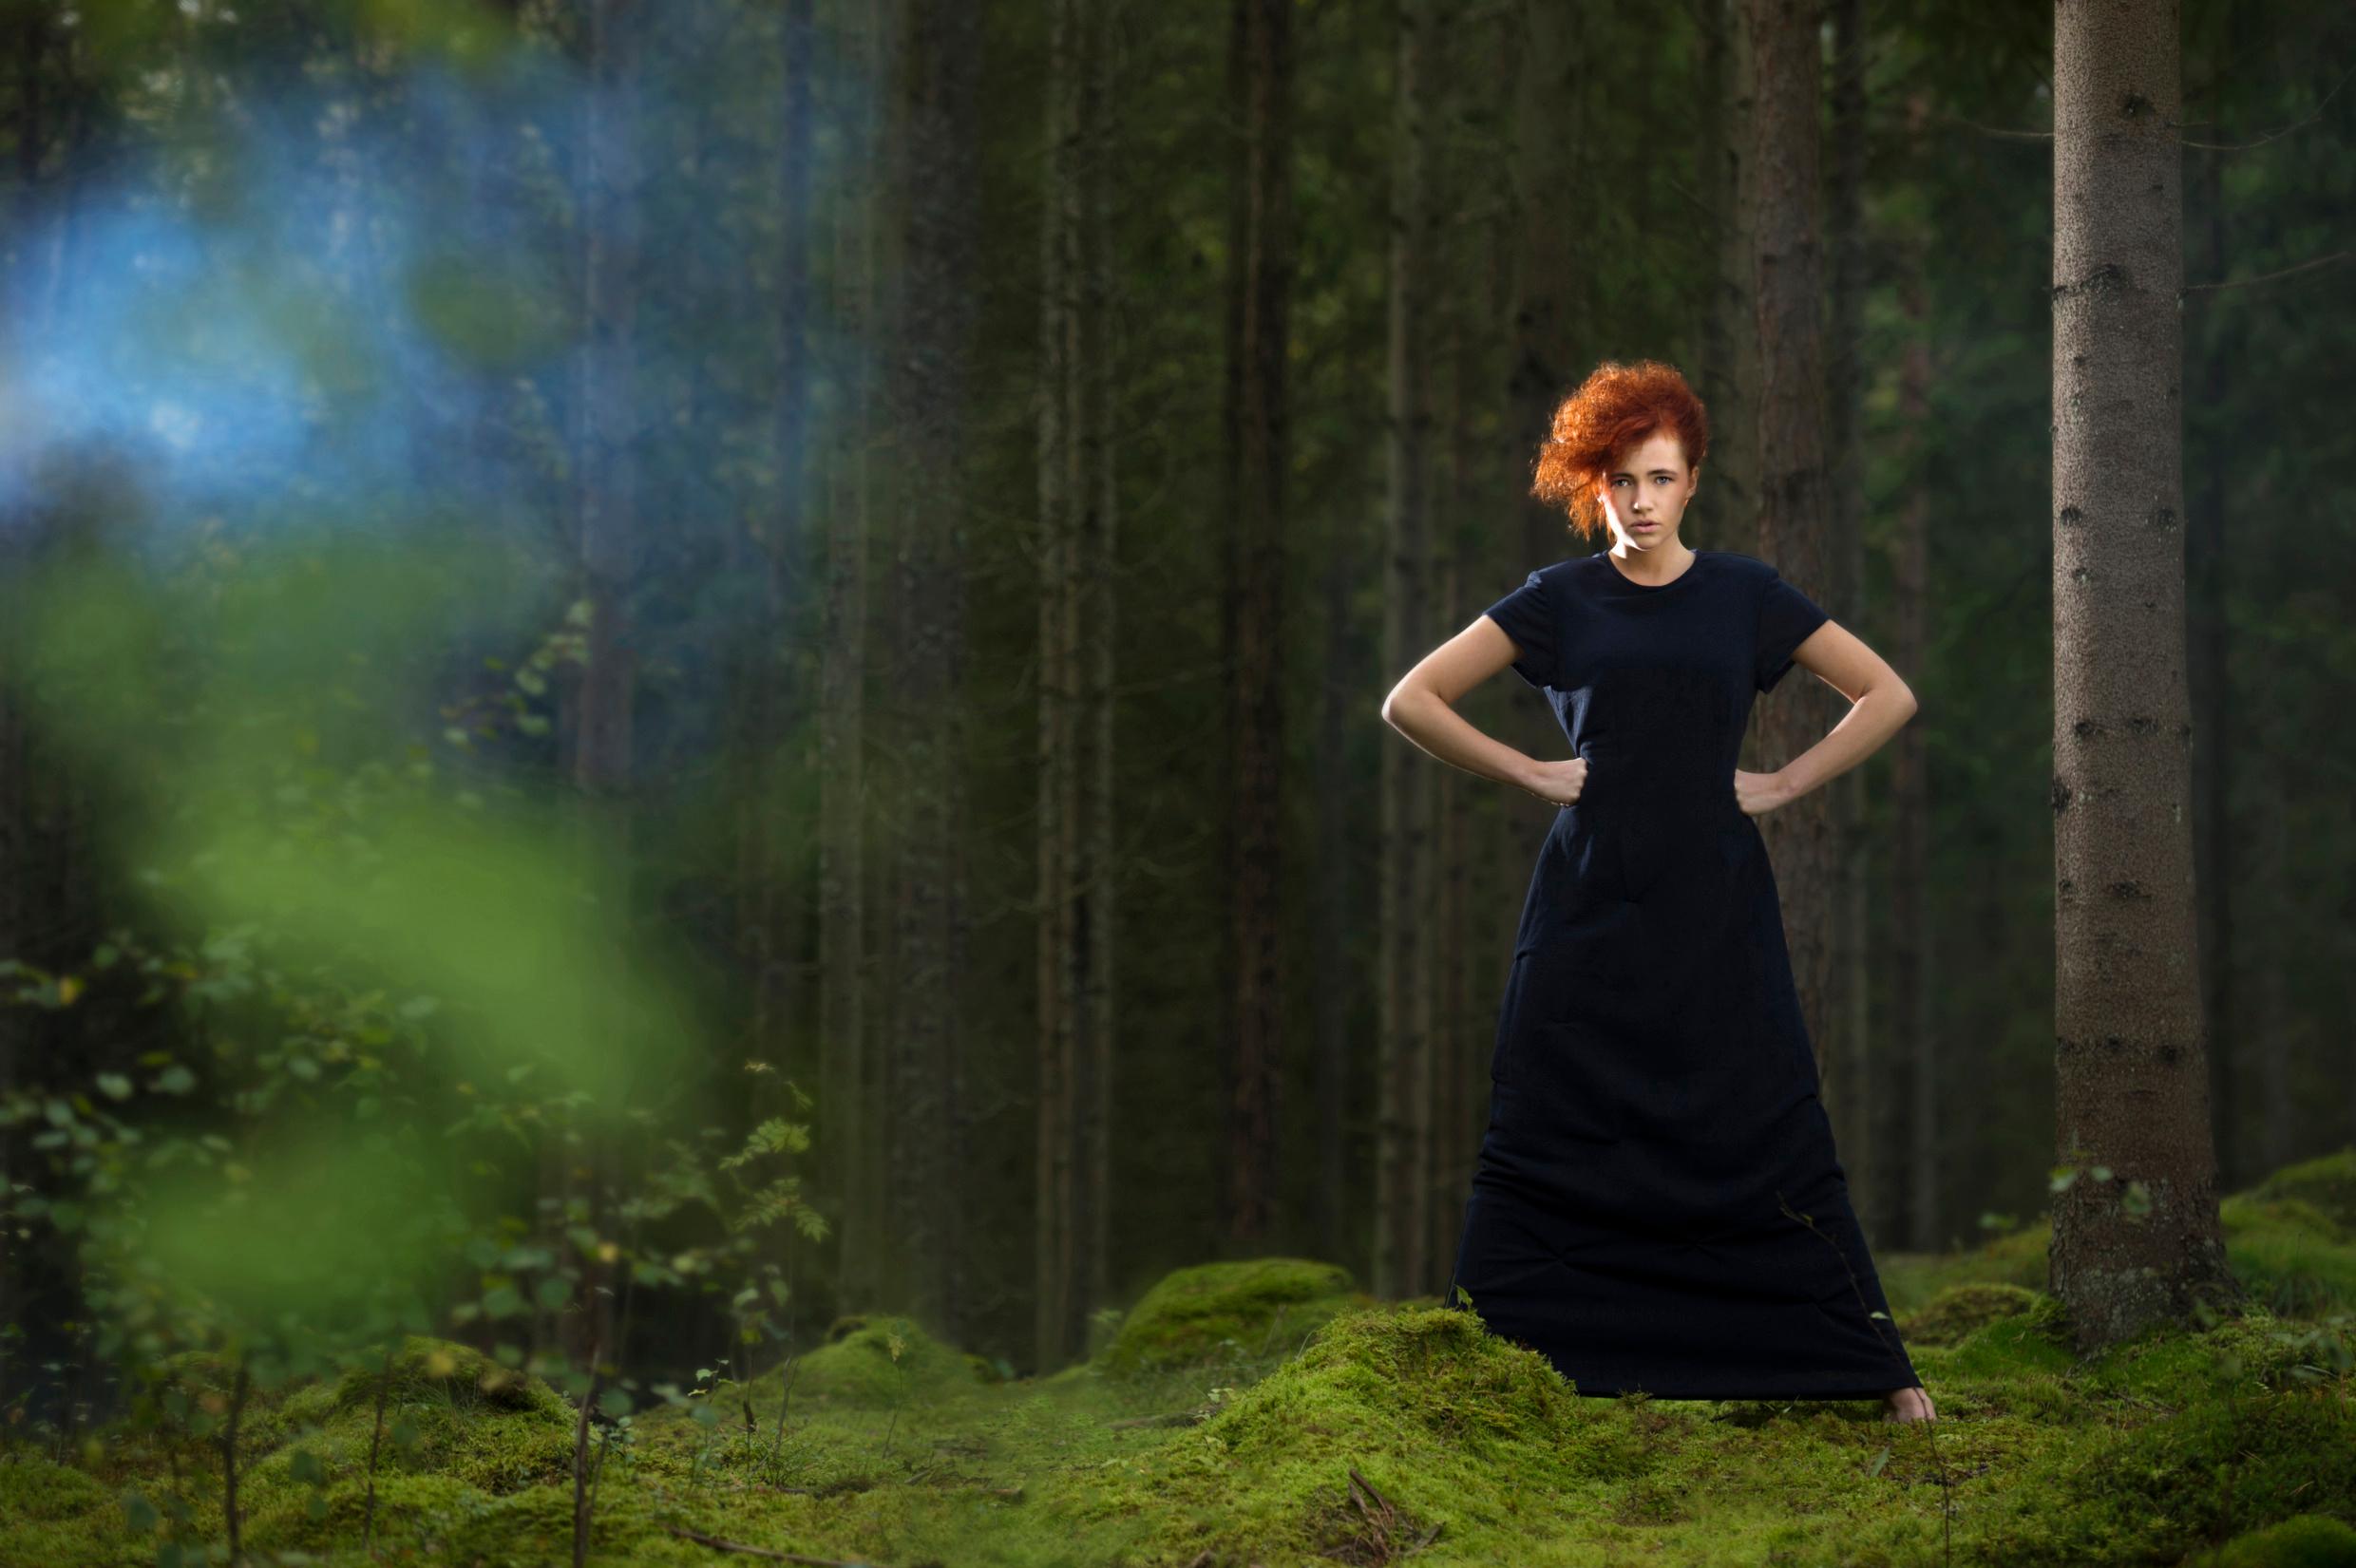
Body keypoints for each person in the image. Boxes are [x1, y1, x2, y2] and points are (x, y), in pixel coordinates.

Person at [1379, 358, 1938, 1424]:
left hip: (1715, 907)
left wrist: (1780, 781)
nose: (1639, 501)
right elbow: (1411, 698)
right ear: (1592, 487)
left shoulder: (1745, 595)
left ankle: (1872, 1367)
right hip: (1586, 906)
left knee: (1767, 1117)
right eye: (1619, 481)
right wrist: (1528, 771)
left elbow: (1884, 692)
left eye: (1659, 478)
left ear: (1692, 484)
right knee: (1543, 1123)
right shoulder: (1556, 601)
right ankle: (1494, 1374)